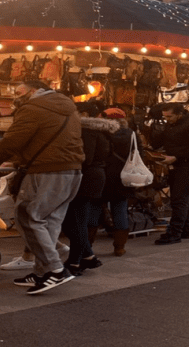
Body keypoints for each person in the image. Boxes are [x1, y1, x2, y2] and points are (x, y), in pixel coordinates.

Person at [0, 80, 84, 295]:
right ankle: (43, 271)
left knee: (27, 216)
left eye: (19, 92)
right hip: (71, 170)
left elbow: (13, 140)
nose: (16, 96)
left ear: (34, 91)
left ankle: (54, 269)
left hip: (46, 172)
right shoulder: (67, 107)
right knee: (48, 220)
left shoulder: (33, 108)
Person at [61, 102, 112, 275]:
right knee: (77, 220)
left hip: (86, 178)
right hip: (95, 177)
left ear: (82, 113)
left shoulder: (86, 131)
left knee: (75, 221)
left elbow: (85, 158)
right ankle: (87, 257)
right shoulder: (100, 131)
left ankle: (75, 261)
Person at [152, 103, 189, 245]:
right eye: (165, 117)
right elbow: (161, 141)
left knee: (179, 199)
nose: (167, 119)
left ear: (179, 114)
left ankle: (174, 233)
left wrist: (176, 157)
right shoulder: (171, 124)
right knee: (182, 199)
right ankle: (185, 229)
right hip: (176, 164)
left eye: (169, 116)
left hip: (188, 165)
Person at [101, 107, 135, 256]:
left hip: (103, 175)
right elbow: (138, 154)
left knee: (95, 208)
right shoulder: (131, 134)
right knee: (120, 209)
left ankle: (87, 245)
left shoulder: (102, 134)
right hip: (123, 175)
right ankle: (119, 247)